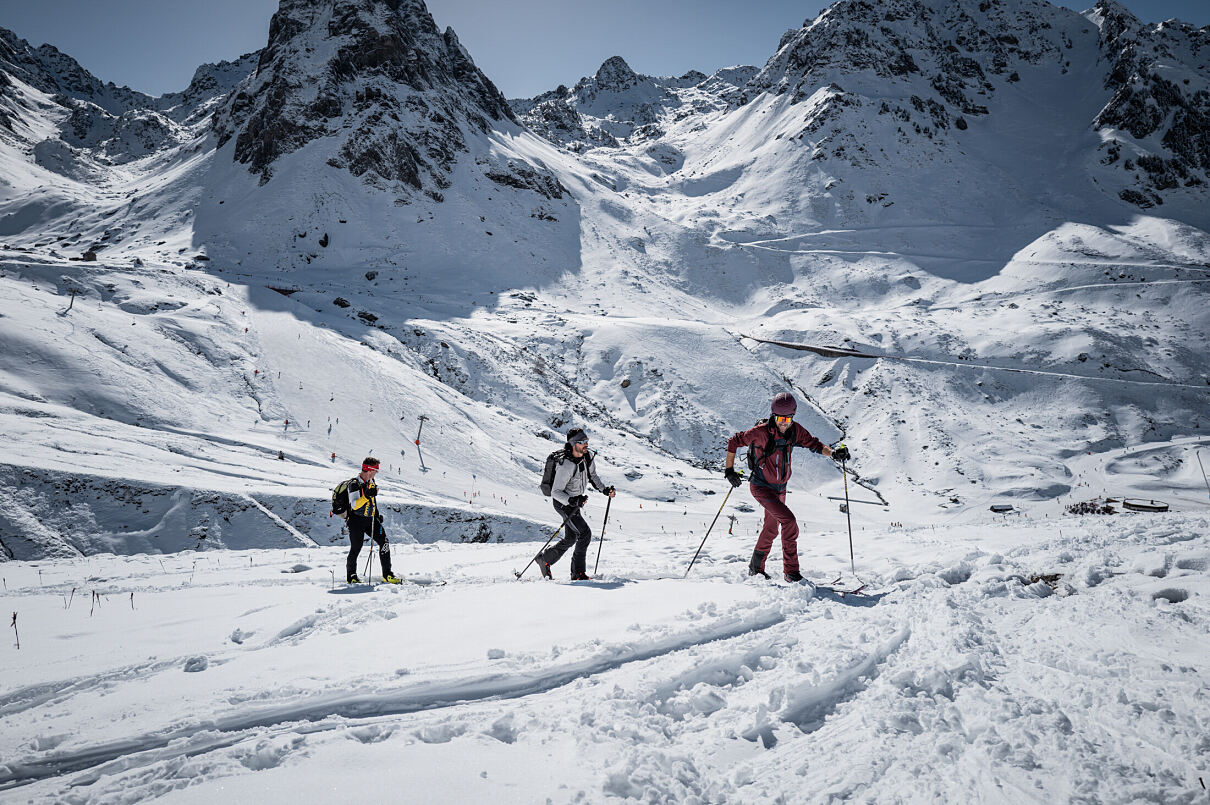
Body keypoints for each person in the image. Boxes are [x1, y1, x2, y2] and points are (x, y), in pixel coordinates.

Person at [723, 392, 850, 582]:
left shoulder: (794, 431)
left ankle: (755, 569)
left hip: (780, 489)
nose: (784, 422)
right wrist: (729, 470)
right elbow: (734, 441)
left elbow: (813, 444)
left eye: (788, 418)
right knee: (789, 522)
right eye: (780, 418)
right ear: (774, 415)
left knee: (771, 529)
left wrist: (833, 454)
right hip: (761, 487)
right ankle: (791, 572)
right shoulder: (760, 432)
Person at [536, 428, 615, 581]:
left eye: (587, 441)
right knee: (585, 534)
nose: (586, 444)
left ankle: (544, 559)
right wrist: (572, 501)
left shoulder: (588, 457)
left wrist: (604, 490)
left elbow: (592, 476)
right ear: (573, 444)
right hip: (563, 504)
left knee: (571, 538)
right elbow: (556, 492)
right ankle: (577, 573)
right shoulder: (565, 465)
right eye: (582, 442)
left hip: (575, 502)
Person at [340, 457, 400, 584]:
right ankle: (351, 576)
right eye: (376, 470)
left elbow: (373, 500)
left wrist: (376, 514)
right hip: (356, 521)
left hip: (370, 519)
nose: (376, 473)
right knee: (356, 547)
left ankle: (387, 574)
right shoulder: (354, 484)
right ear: (369, 470)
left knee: (384, 542)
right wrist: (367, 495)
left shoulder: (371, 481)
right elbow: (355, 504)